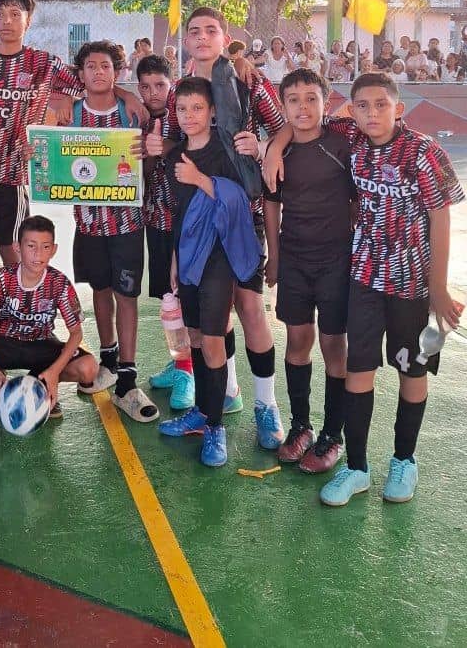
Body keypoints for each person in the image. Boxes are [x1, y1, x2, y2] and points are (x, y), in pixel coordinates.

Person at [265, 72, 464, 506]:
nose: (372, 113)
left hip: (412, 283)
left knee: (411, 368)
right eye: (362, 106)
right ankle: (356, 467)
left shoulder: (424, 152)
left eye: (381, 105)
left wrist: (438, 286)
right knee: (358, 368)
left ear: (399, 109)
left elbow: (441, 217)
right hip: (365, 277)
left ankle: (404, 459)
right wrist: (275, 147)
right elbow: (300, 122)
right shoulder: (350, 136)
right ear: (351, 111)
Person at [0, 0, 145, 282]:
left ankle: (19, 298)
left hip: (14, 170)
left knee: (11, 243)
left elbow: (89, 81)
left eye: (14, 14)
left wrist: (125, 94)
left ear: (28, 20)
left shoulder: (43, 63)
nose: (6, 21)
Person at [151, 7, 287, 450]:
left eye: (211, 30)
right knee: (214, 315)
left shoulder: (248, 78)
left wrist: (263, 145)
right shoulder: (181, 89)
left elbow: (284, 128)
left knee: (249, 309)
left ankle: (267, 405)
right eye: (194, 31)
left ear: (225, 37)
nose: (202, 37)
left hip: (242, 216)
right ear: (186, 40)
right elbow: (178, 143)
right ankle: (225, 391)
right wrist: (157, 145)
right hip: (198, 223)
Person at [157, 78, 262, 467]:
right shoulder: (175, 155)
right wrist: (174, 258)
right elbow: (179, 211)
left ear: (212, 111)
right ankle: (202, 412)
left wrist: (200, 179)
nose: (189, 116)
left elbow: (240, 199)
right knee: (197, 337)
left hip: (218, 257)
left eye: (197, 108)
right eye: (182, 109)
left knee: (214, 340)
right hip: (187, 256)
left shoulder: (226, 150)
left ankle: (216, 426)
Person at [263, 69, 352, 474]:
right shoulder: (277, 153)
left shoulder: (341, 144)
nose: (303, 107)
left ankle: (333, 434)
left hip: (336, 262)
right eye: (294, 100)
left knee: (334, 345)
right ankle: (301, 426)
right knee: (298, 340)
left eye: (311, 98)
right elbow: (272, 205)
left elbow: (355, 200)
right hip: (295, 262)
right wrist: (276, 256)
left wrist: (345, 239)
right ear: (283, 105)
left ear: (325, 102)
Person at [70, 40, 158, 422]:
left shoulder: (132, 113)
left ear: (117, 72)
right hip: (88, 222)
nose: (98, 72)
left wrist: (147, 156)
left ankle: (128, 377)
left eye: (105, 66)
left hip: (126, 223)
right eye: (90, 66)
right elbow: (55, 160)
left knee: (127, 295)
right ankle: (107, 359)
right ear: (81, 73)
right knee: (100, 290)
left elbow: (148, 168)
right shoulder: (70, 113)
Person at [0, 215, 98, 421]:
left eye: (45, 247)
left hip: (39, 343)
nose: (38, 254)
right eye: (31, 246)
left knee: (88, 368)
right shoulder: (0, 279)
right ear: (17, 247)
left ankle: (40, 383)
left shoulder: (59, 283)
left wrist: (54, 371)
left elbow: (76, 333)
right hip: (0, 342)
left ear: (53, 249)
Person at [137, 54, 195, 410]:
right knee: (168, 298)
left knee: (186, 296)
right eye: (145, 87)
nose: (153, 93)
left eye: (160, 85)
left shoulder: (183, 116)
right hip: (155, 219)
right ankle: (180, 363)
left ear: (171, 84)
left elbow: (197, 153)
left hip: (186, 222)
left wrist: (167, 146)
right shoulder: (138, 121)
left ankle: (190, 372)